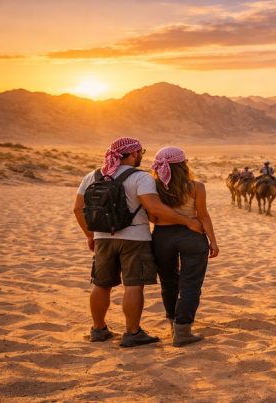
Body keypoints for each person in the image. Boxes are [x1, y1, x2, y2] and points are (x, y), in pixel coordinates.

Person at [73, 137, 203, 348]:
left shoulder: (92, 176)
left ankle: (98, 330)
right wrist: (188, 221)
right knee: (133, 285)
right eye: (140, 152)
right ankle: (132, 333)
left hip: (102, 238)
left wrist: (90, 235)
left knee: (101, 284)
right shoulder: (140, 178)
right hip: (135, 239)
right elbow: (154, 208)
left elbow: (78, 209)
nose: (141, 155)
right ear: (133, 154)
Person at [150, 146, 219, 347]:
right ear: (183, 164)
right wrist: (213, 241)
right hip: (192, 236)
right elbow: (203, 215)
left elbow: (152, 215)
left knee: (168, 282)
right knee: (191, 284)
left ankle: (173, 325)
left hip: (162, 237)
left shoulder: (153, 187)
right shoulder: (196, 186)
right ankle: (183, 330)